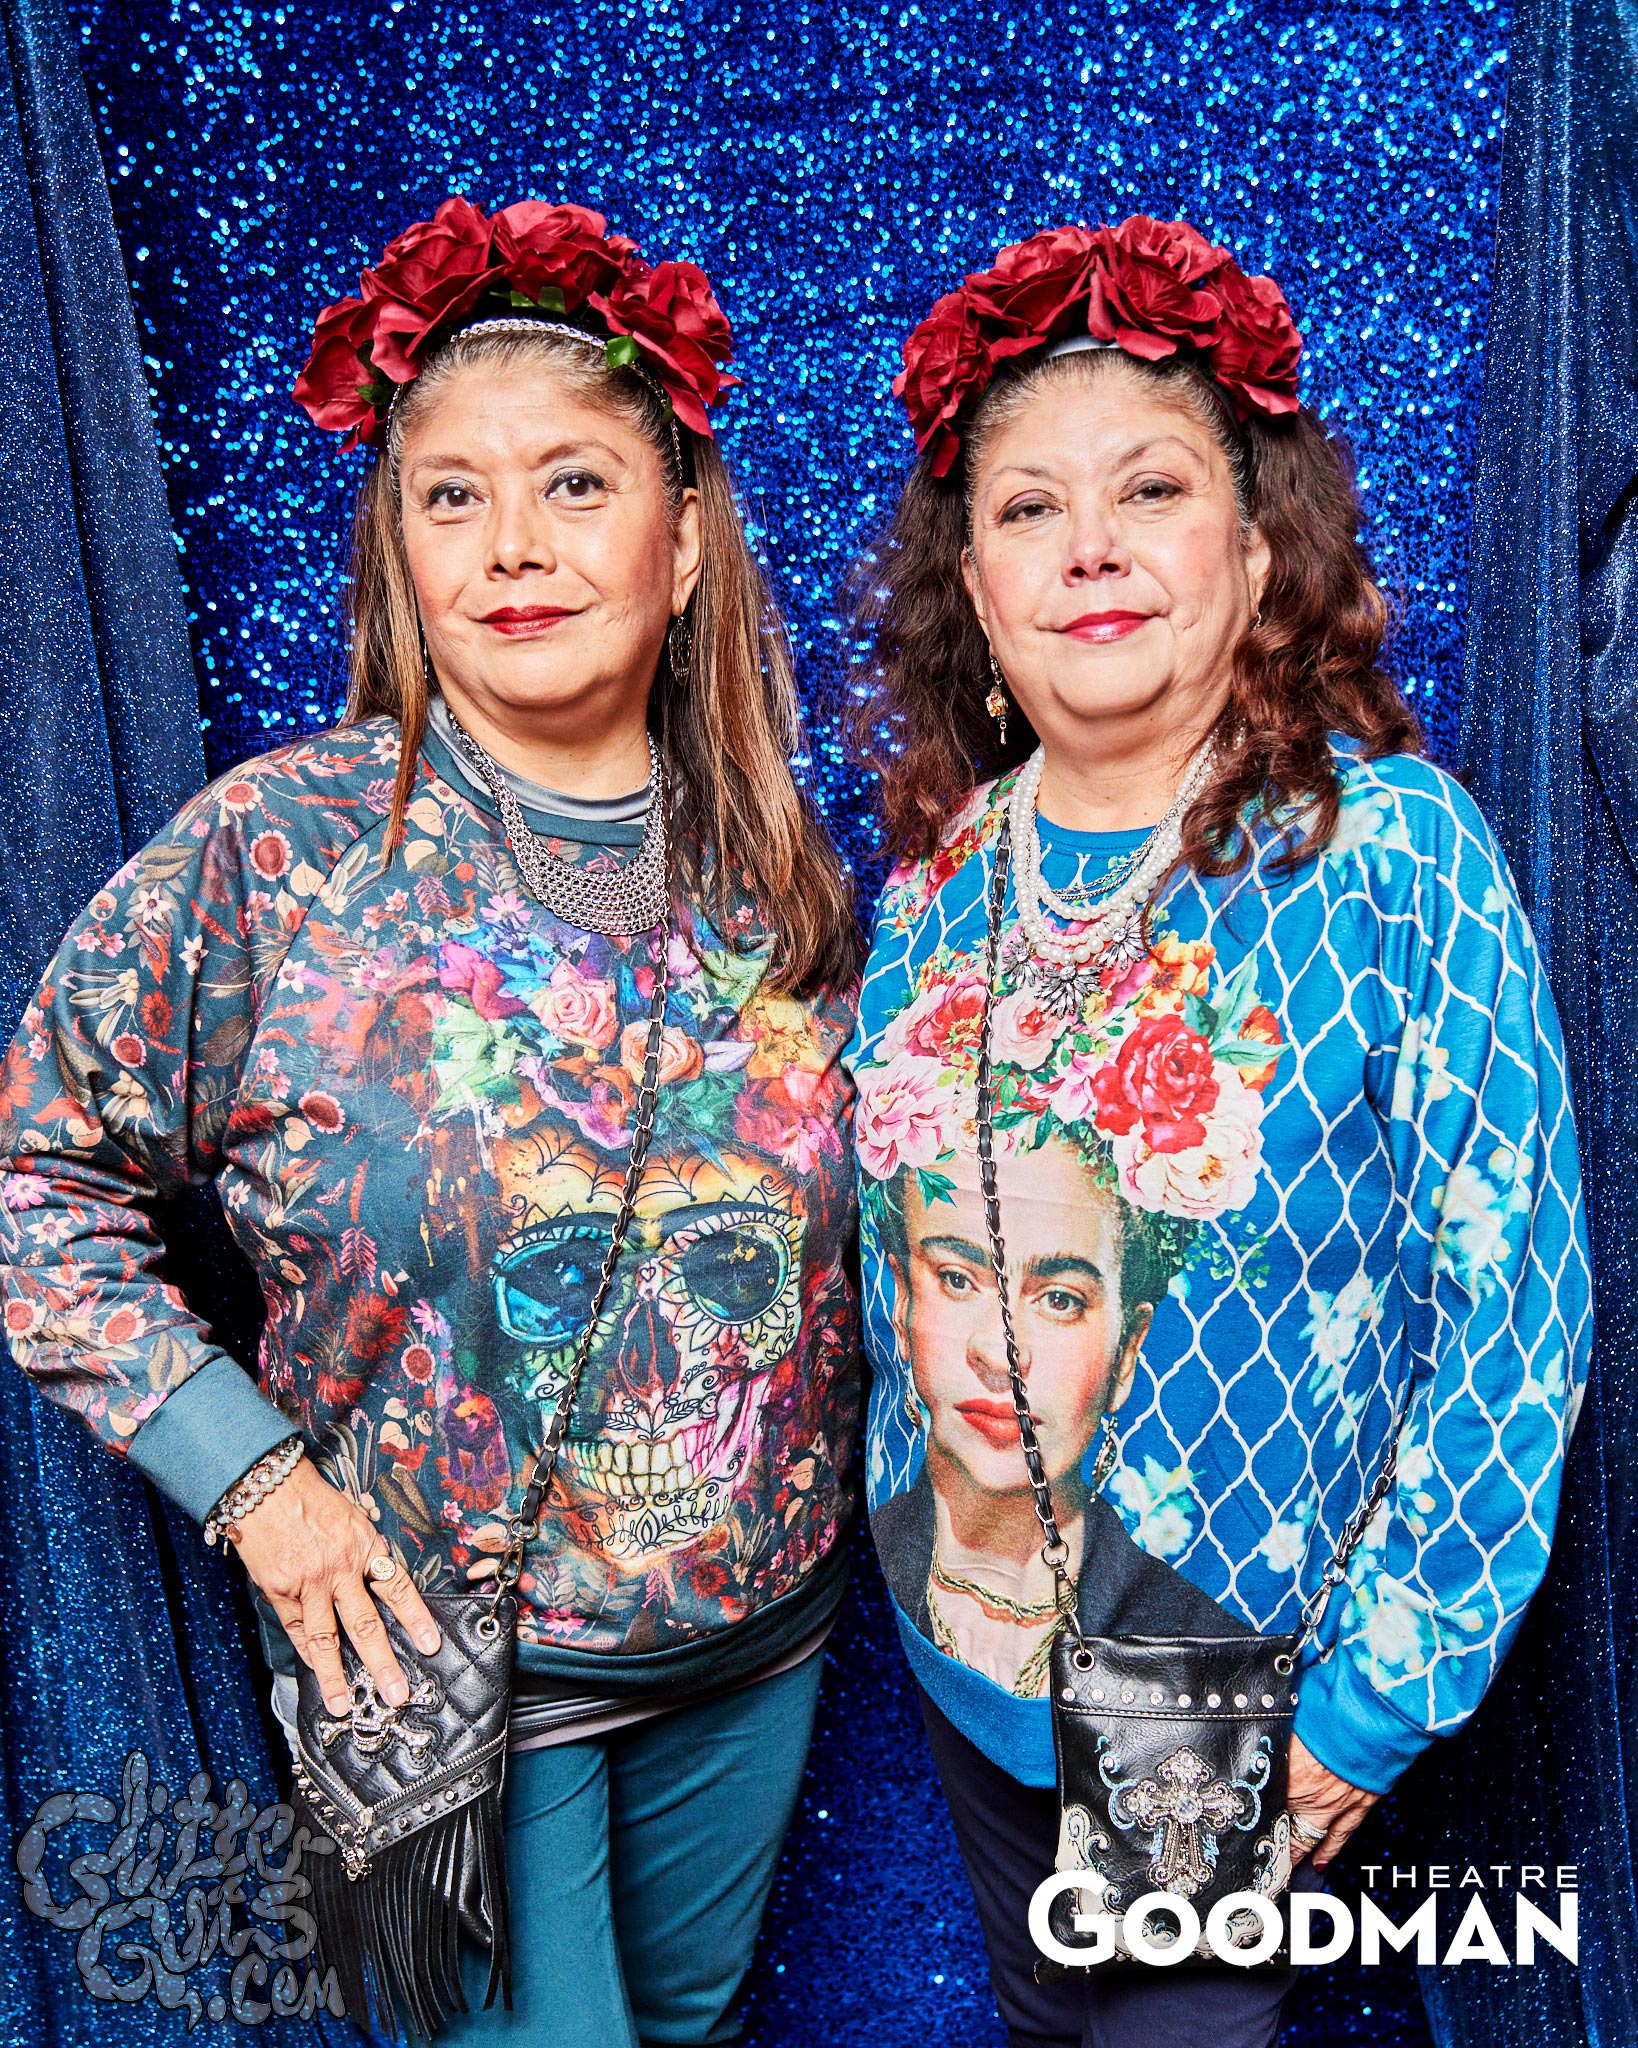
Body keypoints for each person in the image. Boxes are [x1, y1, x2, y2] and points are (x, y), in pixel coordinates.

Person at [0, 197, 860, 2048]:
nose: (513, 546)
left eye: (574, 486)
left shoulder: (774, 870)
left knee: (694, 2031)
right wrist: (256, 1484)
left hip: (754, 1640)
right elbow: (32, 1181)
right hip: (440, 1665)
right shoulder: (280, 853)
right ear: (398, 553)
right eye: (451, 497)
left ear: (682, 544)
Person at [844, 215, 1591, 2048]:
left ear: (1255, 557)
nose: (1088, 543)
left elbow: (1514, 1314)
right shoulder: (939, 881)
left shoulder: (1389, 852)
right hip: (968, 1631)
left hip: (1216, 1671)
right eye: (1028, 508)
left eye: (1150, 490)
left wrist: (1366, 1710)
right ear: (977, 593)